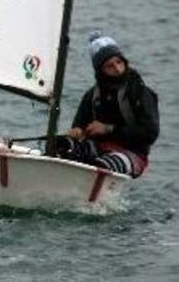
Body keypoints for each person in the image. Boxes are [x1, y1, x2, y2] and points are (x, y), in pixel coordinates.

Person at [57, 33, 159, 178]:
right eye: (110, 66)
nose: (117, 69)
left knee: (103, 165)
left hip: (133, 153)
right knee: (64, 146)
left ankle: (88, 186)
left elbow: (150, 133)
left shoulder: (140, 92)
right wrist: (77, 131)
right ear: (100, 71)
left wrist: (108, 129)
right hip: (99, 147)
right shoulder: (92, 96)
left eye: (119, 62)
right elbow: (79, 126)